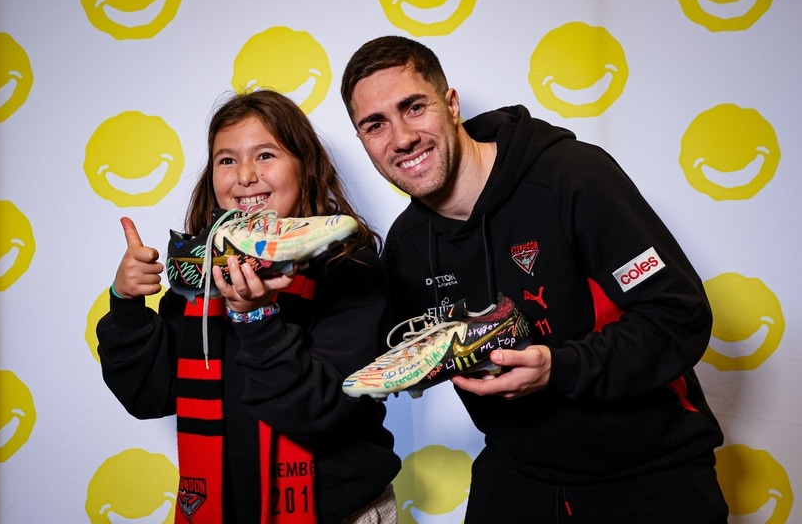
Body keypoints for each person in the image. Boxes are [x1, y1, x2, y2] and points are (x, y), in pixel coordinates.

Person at [340, 36, 728, 523]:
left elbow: (678, 316)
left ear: (452, 105)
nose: (401, 138)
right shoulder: (407, 245)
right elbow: (378, 358)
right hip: (519, 470)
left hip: (648, 468)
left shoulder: (572, 176)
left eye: (414, 107)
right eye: (375, 124)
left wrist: (558, 368)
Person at [97, 89, 400, 524]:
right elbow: (149, 395)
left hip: (341, 514)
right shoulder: (200, 274)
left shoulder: (351, 269)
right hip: (223, 511)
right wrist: (126, 303)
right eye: (227, 160)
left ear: (305, 166)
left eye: (265, 155)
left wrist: (255, 317)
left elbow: (320, 409)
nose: (245, 175)